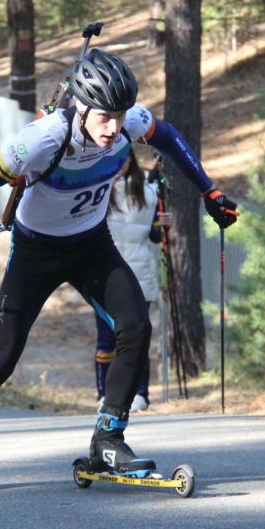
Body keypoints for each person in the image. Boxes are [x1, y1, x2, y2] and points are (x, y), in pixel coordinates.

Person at [0, 48, 238, 491]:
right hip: (35, 253)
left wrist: (208, 190)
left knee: (136, 325)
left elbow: (169, 136)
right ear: (80, 106)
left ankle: (108, 437)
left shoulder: (127, 123)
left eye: (120, 116)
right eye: (104, 117)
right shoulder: (44, 137)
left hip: (91, 246)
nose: (114, 128)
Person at [94, 150, 163, 412]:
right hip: (105, 276)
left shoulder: (148, 193)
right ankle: (104, 394)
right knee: (106, 341)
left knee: (137, 338)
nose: (120, 165)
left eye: (124, 160)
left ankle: (140, 394)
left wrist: (162, 226)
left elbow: (154, 236)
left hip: (139, 274)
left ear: (132, 161)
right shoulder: (97, 191)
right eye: (114, 160)